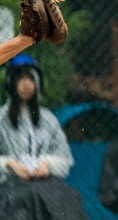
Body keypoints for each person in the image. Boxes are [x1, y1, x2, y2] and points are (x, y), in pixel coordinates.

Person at [0, 54, 87, 219]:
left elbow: (64, 156)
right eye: (21, 79)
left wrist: (48, 164)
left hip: (45, 185)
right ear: (11, 83)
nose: (26, 84)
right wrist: (8, 164)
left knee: (65, 201)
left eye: (30, 79)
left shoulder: (47, 119)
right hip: (9, 187)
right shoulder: (1, 119)